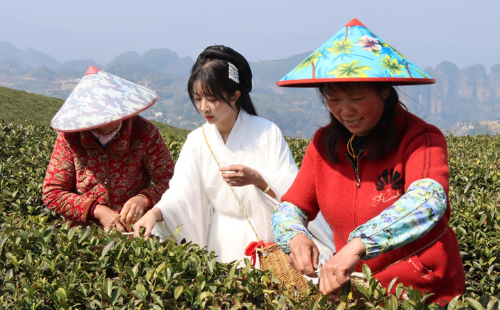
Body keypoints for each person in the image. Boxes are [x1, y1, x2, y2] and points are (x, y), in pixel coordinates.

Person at [271, 18, 465, 304]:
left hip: (423, 293)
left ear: (384, 91)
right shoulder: (323, 145)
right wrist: (295, 238)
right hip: (355, 292)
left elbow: (428, 199)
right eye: (334, 100)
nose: (345, 111)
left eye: (357, 98)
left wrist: (357, 246)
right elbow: (290, 207)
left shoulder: (421, 139)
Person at [133, 45, 333, 266]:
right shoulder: (197, 141)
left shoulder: (267, 133)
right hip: (220, 237)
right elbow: (182, 193)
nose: (204, 107)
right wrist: (155, 213)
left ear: (235, 95)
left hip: (264, 238)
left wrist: (257, 178)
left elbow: (294, 191)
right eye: (198, 99)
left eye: (212, 98)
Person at [43, 66, 174, 232]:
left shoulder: (145, 133)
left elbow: (171, 182)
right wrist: (96, 210)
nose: (95, 124)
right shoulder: (69, 137)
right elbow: (52, 192)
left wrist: (144, 199)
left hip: (133, 232)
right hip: (82, 238)